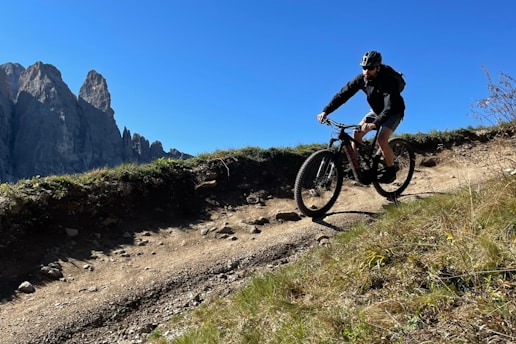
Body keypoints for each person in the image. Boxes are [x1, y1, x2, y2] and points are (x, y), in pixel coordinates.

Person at [316, 50, 405, 183]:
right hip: (376, 111)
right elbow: (343, 95)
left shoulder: (386, 81)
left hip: (393, 111)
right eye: (364, 68)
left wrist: (376, 123)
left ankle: (390, 170)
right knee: (356, 133)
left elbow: (389, 106)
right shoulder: (361, 80)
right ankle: (357, 168)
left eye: (370, 68)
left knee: (382, 139)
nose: (366, 71)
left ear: (378, 68)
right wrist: (326, 111)